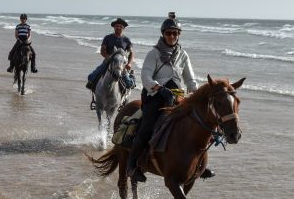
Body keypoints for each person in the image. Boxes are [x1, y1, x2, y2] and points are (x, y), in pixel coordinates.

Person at [126, 14, 214, 182]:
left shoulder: (183, 55)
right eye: (168, 33)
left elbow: (190, 79)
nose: (172, 36)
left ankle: (199, 164)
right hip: (156, 97)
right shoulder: (154, 53)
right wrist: (159, 88)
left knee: (197, 125)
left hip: (177, 97)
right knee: (146, 127)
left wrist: (196, 94)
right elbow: (145, 77)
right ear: (163, 34)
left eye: (175, 33)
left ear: (178, 34)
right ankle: (132, 165)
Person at [86, 18, 135, 90]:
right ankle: (94, 94)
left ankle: (132, 76)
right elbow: (102, 51)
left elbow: (131, 53)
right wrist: (108, 58)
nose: (118, 27)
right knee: (92, 76)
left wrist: (129, 63)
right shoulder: (107, 37)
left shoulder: (126, 39)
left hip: (121, 64)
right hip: (108, 61)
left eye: (120, 26)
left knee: (129, 83)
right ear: (114, 27)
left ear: (123, 28)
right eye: (117, 26)